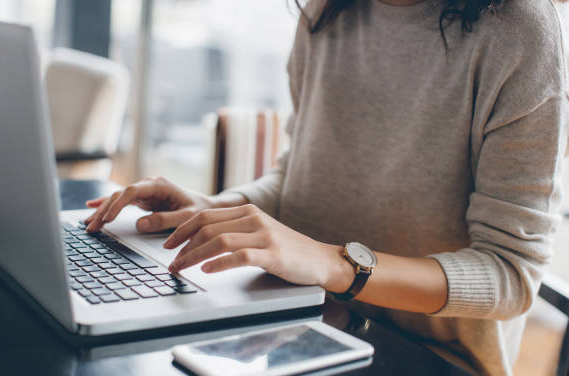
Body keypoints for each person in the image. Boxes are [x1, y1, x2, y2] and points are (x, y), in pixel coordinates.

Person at [85, 0, 568, 374]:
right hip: (292, 321)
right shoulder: (326, 10)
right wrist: (216, 208)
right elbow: (296, 174)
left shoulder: (521, 32)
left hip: (426, 357)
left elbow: (510, 274)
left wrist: (337, 264)